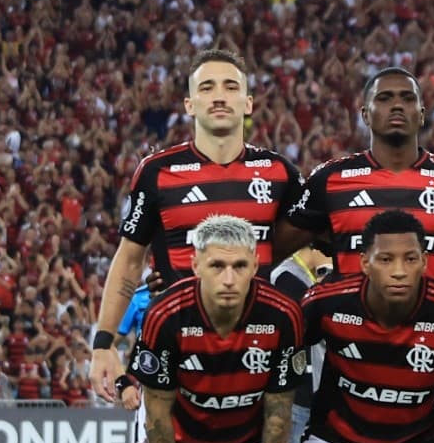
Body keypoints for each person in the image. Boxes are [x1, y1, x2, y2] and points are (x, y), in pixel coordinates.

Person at [90, 48, 305, 402]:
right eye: (206, 88)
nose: (219, 96)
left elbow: (310, 242)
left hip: (255, 364)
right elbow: (130, 259)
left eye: (230, 87)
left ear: (248, 103)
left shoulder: (279, 172)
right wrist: (103, 343)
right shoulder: (157, 172)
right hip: (174, 362)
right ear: (189, 104)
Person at [274, 66, 434, 280]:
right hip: (350, 329)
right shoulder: (330, 179)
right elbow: (270, 252)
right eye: (385, 98)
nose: (397, 105)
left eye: (407, 98)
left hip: (429, 328)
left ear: (421, 115)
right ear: (365, 115)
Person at [297, 210, 434, 443]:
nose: (399, 271)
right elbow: (282, 369)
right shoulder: (325, 302)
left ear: (424, 261)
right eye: (385, 259)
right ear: (365, 262)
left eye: (410, 259)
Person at [127, 215, 302, 443]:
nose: (229, 279)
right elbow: (157, 417)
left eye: (240, 266)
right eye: (217, 266)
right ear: (196, 266)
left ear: (255, 266)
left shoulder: (284, 314)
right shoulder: (164, 315)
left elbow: (278, 413)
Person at [270, 243, 331, 443]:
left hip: (315, 389)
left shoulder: (305, 275)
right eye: (328, 250)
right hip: (298, 393)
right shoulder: (286, 277)